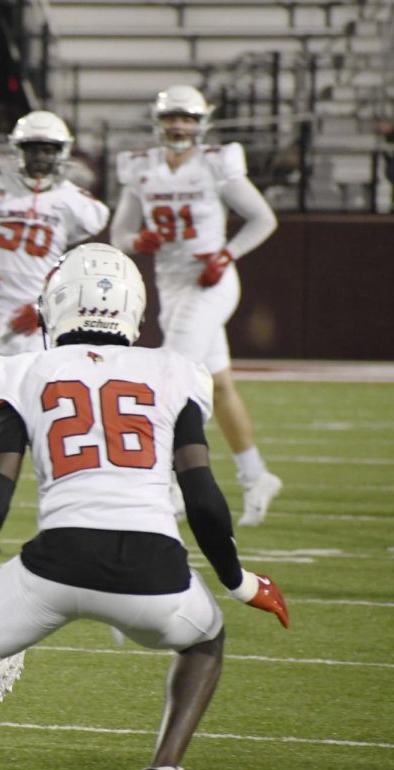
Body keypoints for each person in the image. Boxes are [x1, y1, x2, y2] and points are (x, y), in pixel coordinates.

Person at [0, 243, 291, 770]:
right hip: (155, 574)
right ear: (134, 309)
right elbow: (203, 499)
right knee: (206, 641)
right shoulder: (177, 370)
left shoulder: (22, 369)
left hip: (52, 570)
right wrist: (242, 584)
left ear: (55, 306)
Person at [110, 85, 281, 526]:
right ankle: (256, 475)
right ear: (159, 121)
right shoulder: (142, 167)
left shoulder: (215, 164)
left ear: (201, 122)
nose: (178, 126)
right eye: (171, 118)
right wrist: (136, 241)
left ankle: (169, 485)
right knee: (219, 386)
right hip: (171, 285)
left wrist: (227, 254)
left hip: (212, 283)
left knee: (172, 378)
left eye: (186, 118)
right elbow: (120, 234)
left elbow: (264, 218)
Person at [0, 110, 108, 549]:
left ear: (62, 154)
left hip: (36, 323)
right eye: (33, 148)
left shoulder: (78, 204)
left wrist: (41, 308)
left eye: (47, 149)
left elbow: (80, 269)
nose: (39, 157)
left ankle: (53, 518)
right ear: (19, 151)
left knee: (37, 420)